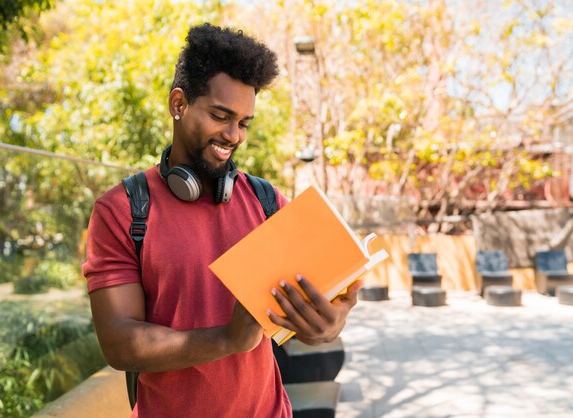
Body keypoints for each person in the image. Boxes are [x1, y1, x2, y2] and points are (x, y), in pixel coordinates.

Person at [82, 23, 363, 417]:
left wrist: (330, 324)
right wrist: (228, 339)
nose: (235, 135)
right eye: (221, 115)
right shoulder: (122, 210)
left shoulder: (268, 203)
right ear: (178, 104)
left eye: (245, 122)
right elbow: (120, 344)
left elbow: (316, 320)